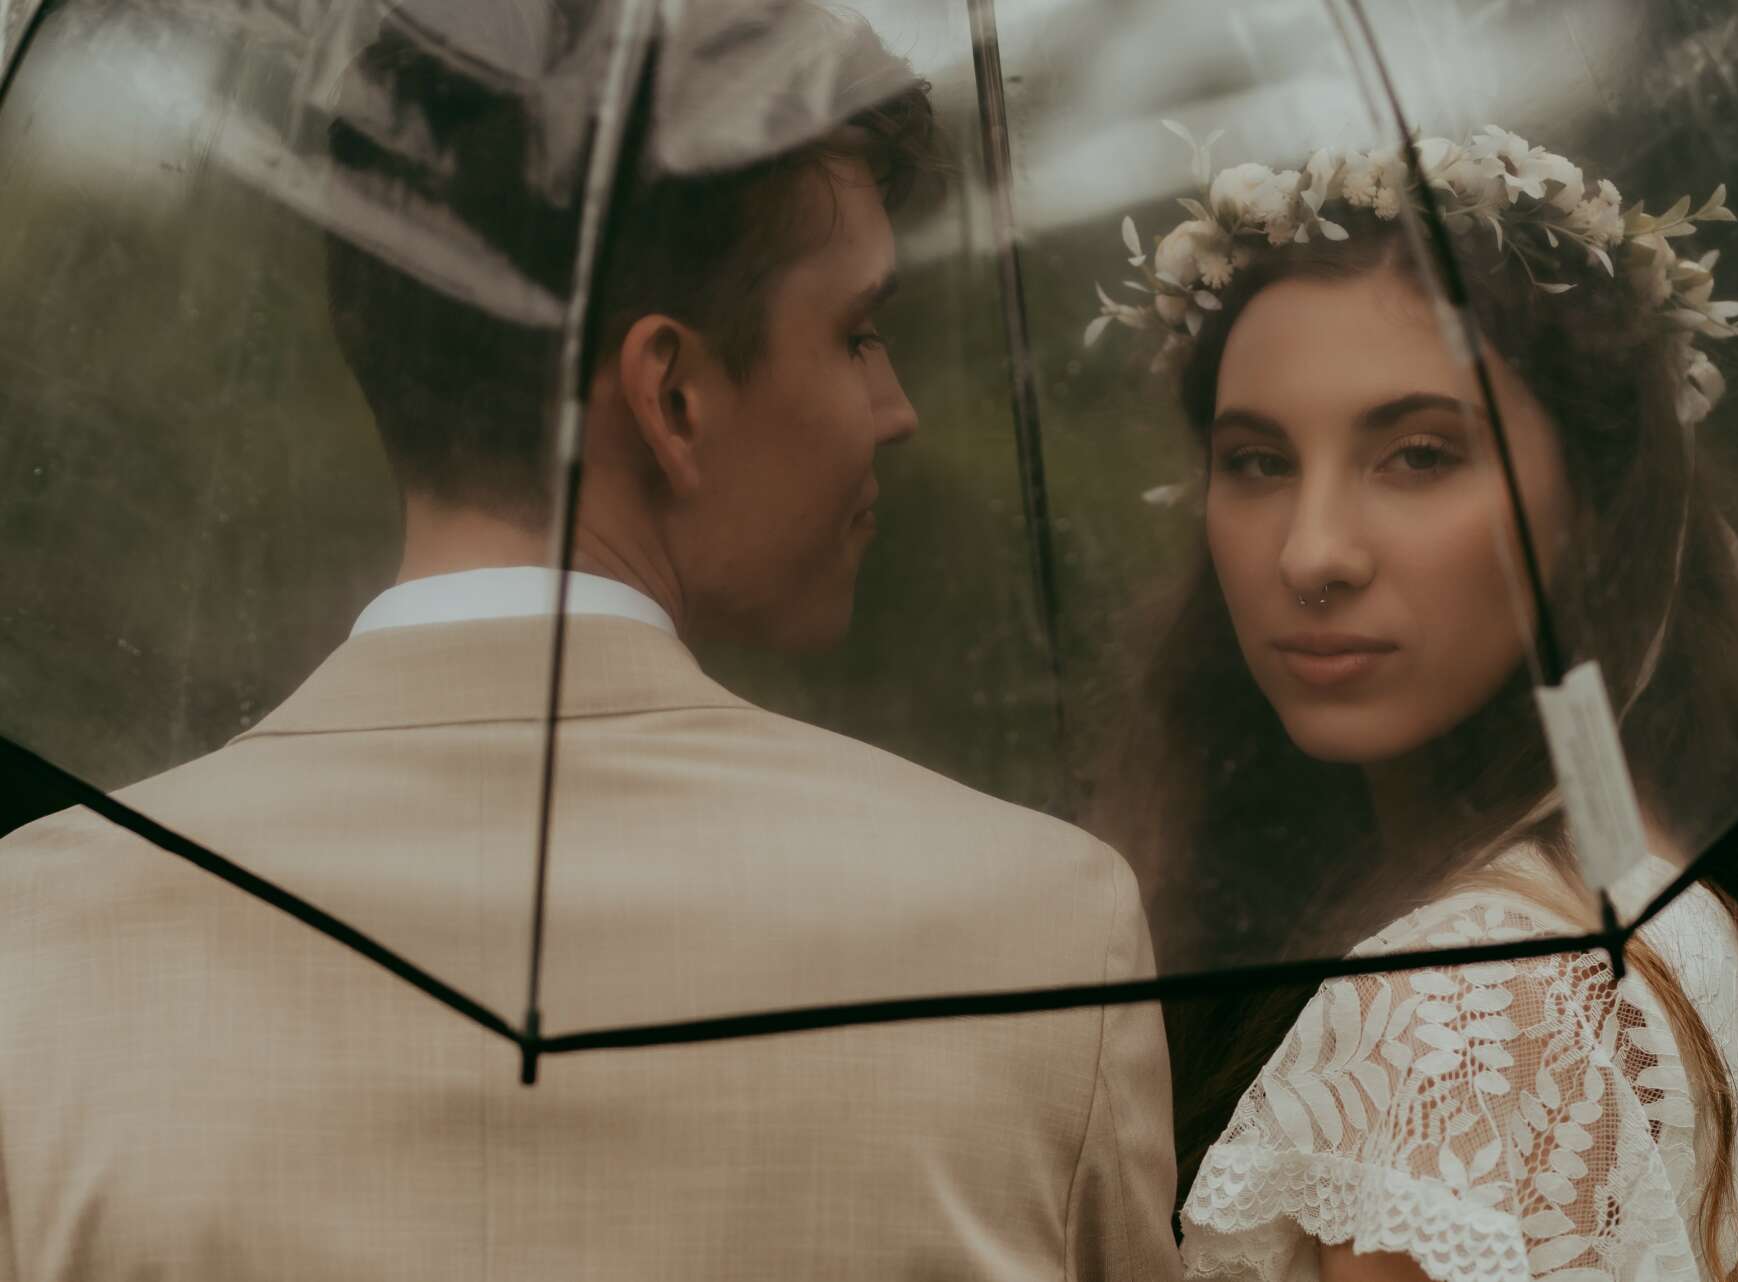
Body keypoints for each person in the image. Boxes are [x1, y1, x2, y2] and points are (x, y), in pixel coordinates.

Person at [0, 4, 1181, 1278]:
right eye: (856, 332)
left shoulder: (42, 939)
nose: (892, 408)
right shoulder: (1038, 935)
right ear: (672, 395)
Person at [1087, 130, 1738, 1280]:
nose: (1311, 554)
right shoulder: (1643, 887)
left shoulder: (1465, 1008)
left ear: (1594, 495)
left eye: (1420, 454)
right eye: (1258, 461)